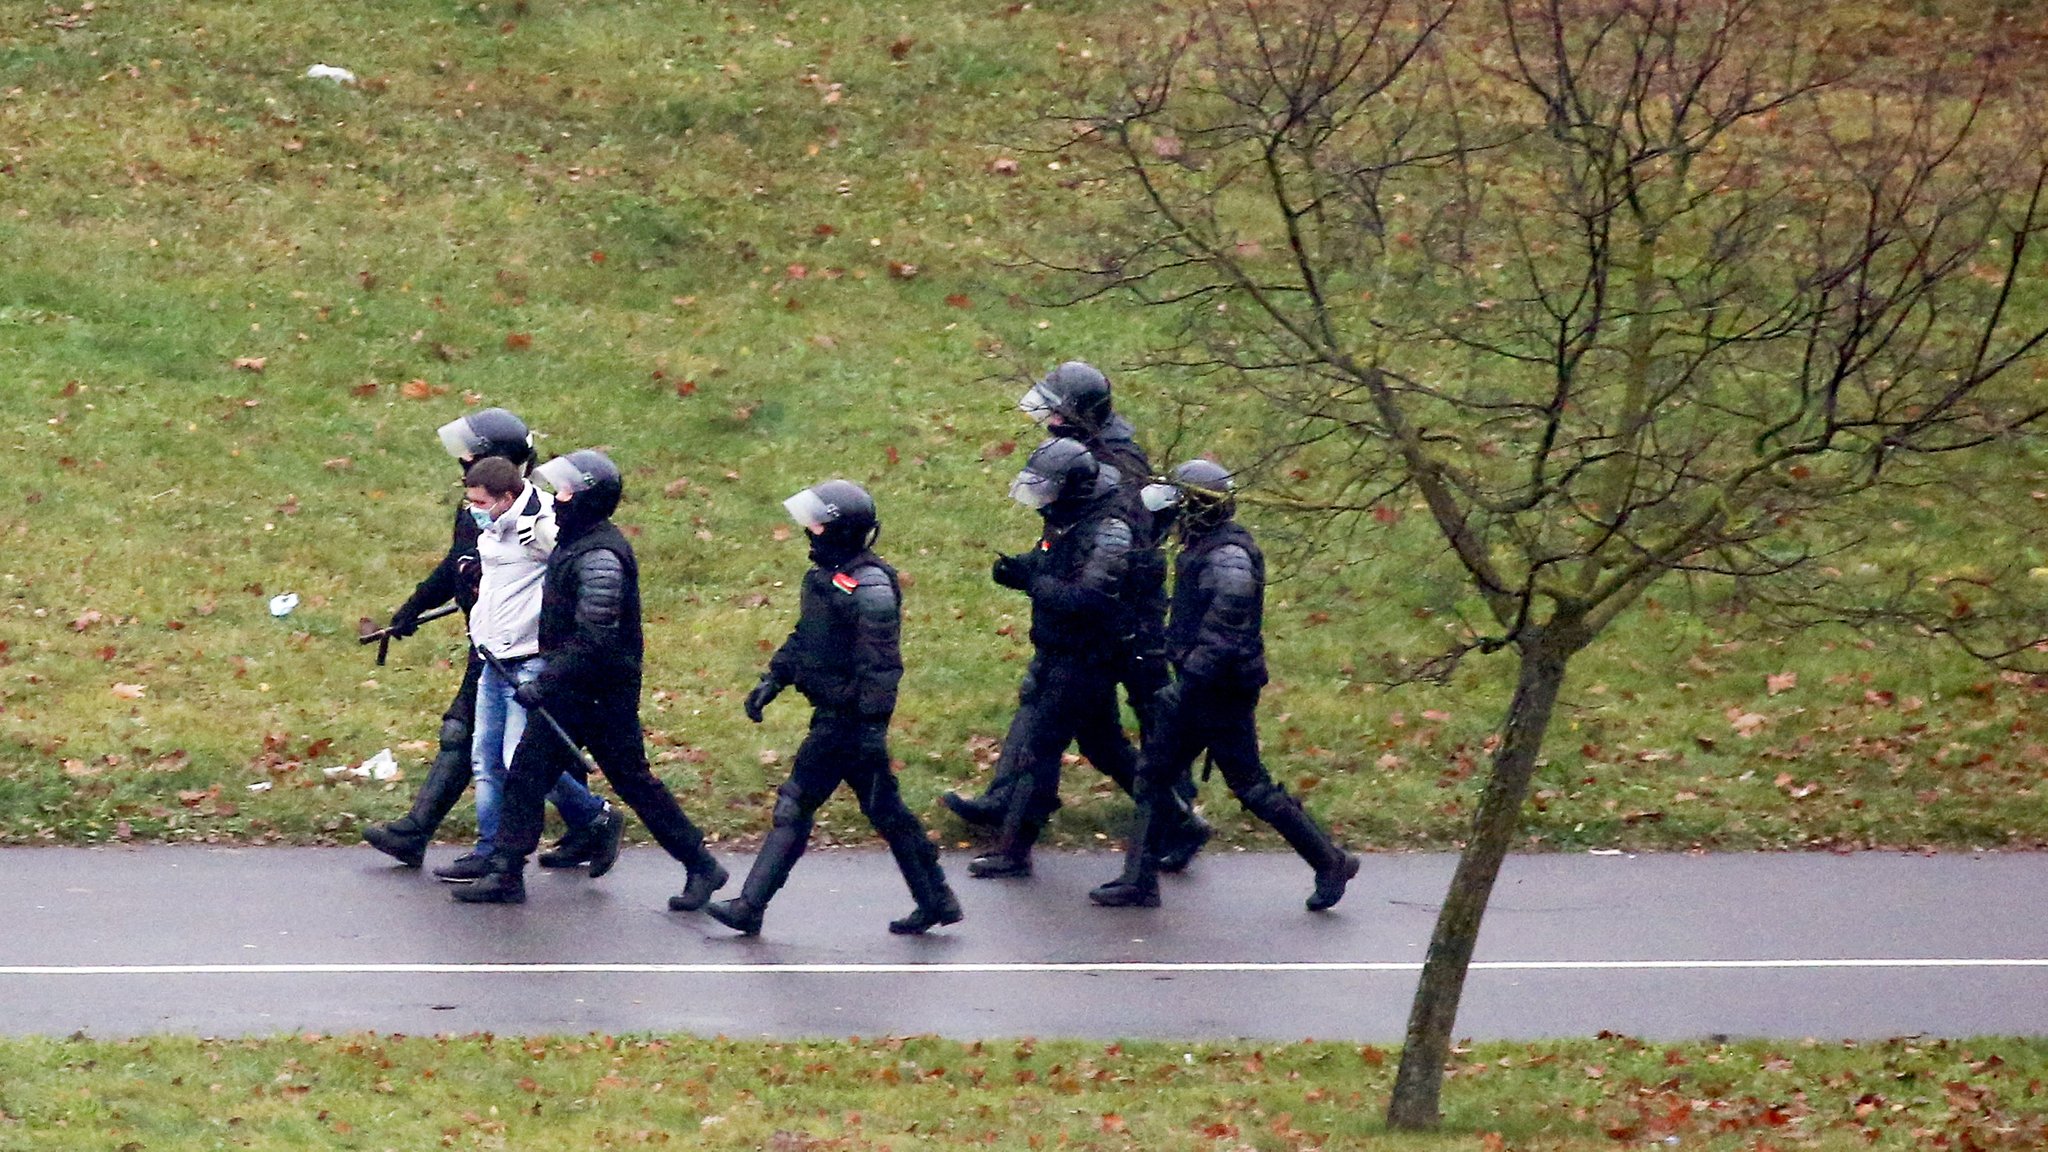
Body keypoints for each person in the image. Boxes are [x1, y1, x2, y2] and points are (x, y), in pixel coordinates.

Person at [946, 361, 1207, 869]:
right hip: (1089, 620)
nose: (1049, 422)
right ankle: (1011, 802)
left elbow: (1113, 554)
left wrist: (1042, 580)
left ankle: (1175, 806)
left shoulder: (1118, 465)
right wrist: (1036, 564)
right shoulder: (1081, 459)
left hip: (1125, 612)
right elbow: (1069, 537)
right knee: (1075, 725)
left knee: (1149, 704)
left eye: (1059, 413)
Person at [453, 450, 728, 907]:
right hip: (573, 688)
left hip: (602, 695)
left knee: (633, 781)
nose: (555, 498)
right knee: (525, 774)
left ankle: (702, 865)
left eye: (564, 490)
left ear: (586, 497)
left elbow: (595, 637)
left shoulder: (600, 556)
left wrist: (544, 680)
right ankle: (505, 871)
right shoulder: (575, 542)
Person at [1088, 460, 1360, 911]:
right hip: (1202, 689)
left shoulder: (1226, 558)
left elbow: (1225, 637)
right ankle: (1138, 880)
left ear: (1196, 509)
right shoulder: (1206, 548)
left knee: (1249, 786)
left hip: (1218, 693)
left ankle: (1330, 861)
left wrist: (1186, 685)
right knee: (1154, 775)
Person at [705, 480, 963, 936]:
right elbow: (808, 636)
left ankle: (750, 906)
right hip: (837, 716)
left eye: (819, 522)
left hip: (847, 723)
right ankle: (936, 898)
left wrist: (870, 727)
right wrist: (775, 678)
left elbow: (882, 666)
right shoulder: (825, 578)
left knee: (795, 805)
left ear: (839, 531)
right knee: (887, 811)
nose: (809, 529)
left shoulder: (870, 586)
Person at [431, 455, 623, 883]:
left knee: (524, 760)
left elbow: (573, 571)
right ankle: (489, 849)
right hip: (493, 658)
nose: (473, 511)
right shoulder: (496, 526)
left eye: (480, 503)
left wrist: (558, 639)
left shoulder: (540, 527)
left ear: (507, 497)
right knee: (487, 757)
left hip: (530, 657)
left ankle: (595, 817)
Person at [363, 408, 530, 869]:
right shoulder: (476, 507)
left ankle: (418, 832)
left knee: (472, 735)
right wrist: (411, 609)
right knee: (509, 742)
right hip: (488, 639)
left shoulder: (528, 516)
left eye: (471, 454)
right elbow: (457, 564)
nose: (461, 462)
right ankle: (590, 823)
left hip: (514, 645)